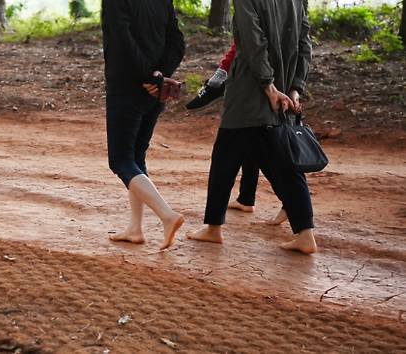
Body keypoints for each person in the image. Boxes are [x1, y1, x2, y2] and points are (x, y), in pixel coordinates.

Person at [188, 0, 317, 254]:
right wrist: (295, 88)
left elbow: (252, 42)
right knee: (285, 165)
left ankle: (213, 228)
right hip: (282, 92)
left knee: (224, 158)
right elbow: (305, 43)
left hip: (250, 93)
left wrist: (268, 86)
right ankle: (305, 233)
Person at [102, 0, 186, 250]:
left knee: (120, 160)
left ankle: (167, 216)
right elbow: (177, 42)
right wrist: (159, 76)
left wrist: (148, 76)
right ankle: (135, 228)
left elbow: (121, 40)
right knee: (136, 157)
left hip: (126, 87)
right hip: (154, 92)